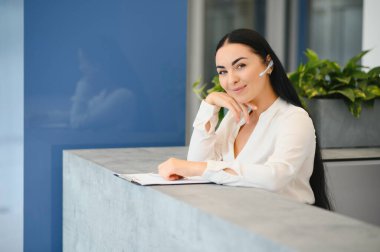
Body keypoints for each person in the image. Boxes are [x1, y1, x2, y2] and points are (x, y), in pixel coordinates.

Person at [158, 28, 332, 210]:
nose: (231, 79)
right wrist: (209, 105)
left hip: (284, 227)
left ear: (268, 64)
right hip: (240, 223)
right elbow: (196, 163)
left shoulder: (293, 118)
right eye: (223, 71)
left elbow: (275, 177)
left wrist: (198, 168)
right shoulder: (235, 119)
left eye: (240, 66)